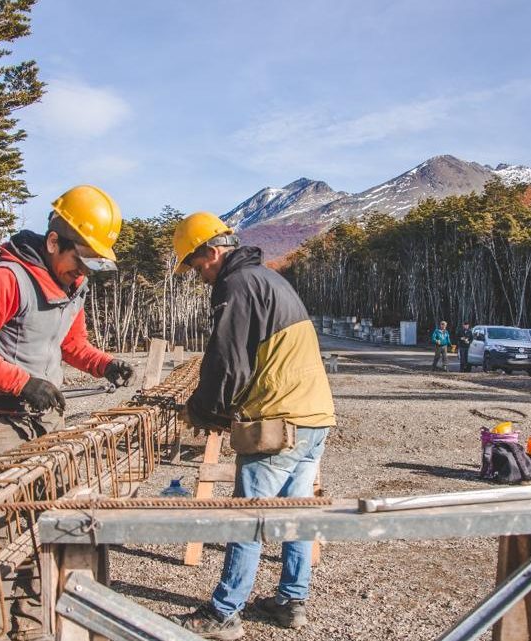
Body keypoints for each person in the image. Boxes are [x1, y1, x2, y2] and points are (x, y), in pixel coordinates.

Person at [0, 184, 136, 638]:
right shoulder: (8, 278)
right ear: (54, 243)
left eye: (91, 264)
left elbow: (71, 345)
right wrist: (22, 382)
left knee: (42, 528)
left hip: (43, 420)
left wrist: (105, 364)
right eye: (79, 260)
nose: (82, 273)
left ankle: (29, 627)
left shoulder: (74, 285)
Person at [169, 212, 335, 640]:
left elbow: (227, 361)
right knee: (295, 511)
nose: (200, 276)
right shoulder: (268, 278)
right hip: (314, 417)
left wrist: (203, 411)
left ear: (212, 251)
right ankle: (291, 601)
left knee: (248, 516)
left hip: (278, 422)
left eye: (197, 265)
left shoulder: (235, 285)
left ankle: (225, 612)